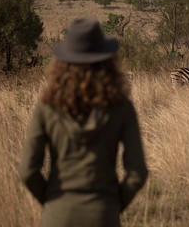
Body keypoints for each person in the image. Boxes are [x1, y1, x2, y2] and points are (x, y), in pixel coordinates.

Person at [19, 19, 148, 227]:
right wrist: (113, 205)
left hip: (58, 215)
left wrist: (52, 202)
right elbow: (138, 173)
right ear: (107, 60)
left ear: (63, 62)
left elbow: (27, 171)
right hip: (103, 214)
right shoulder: (121, 107)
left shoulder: (47, 107)